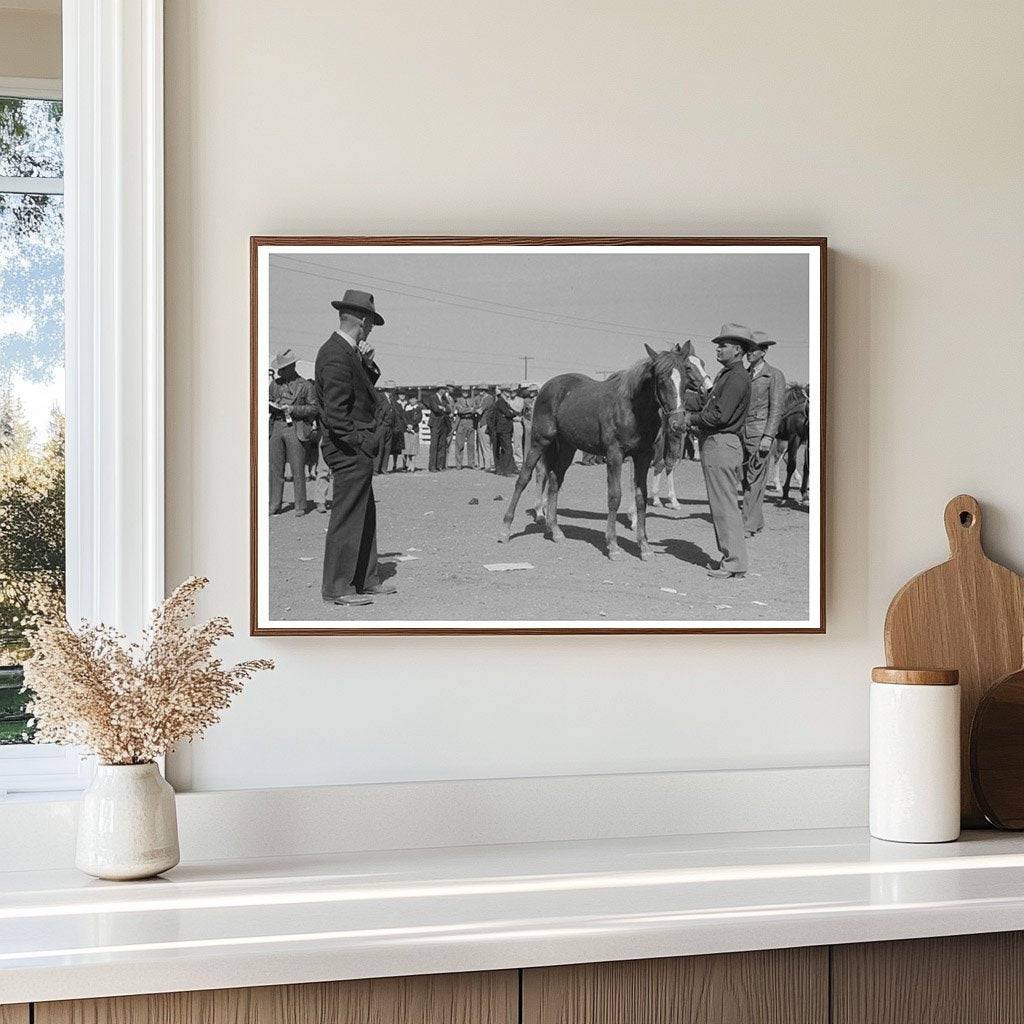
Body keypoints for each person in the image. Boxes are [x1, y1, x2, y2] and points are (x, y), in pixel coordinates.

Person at [315, 289, 395, 606]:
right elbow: (335, 413)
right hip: (348, 448)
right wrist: (363, 443)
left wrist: (366, 363)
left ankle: (364, 579)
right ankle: (337, 587)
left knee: (365, 515)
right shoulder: (336, 354)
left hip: (352, 445)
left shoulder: (346, 353)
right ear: (362, 322)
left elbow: (360, 392)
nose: (372, 329)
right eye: (371, 323)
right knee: (348, 517)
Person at [684, 323, 757, 580]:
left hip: (721, 443)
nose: (718, 348)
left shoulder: (736, 377)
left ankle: (734, 562)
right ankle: (733, 559)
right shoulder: (728, 374)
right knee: (724, 505)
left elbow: (718, 415)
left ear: (737, 350)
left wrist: (689, 420)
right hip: (720, 444)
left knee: (724, 506)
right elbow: (710, 404)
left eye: (723, 345)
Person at [741, 332, 787, 538]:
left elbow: (776, 409)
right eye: (747, 349)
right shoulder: (744, 374)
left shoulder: (774, 375)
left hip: (760, 434)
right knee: (745, 479)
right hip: (741, 433)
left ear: (764, 351)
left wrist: (768, 436)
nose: (749, 353)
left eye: (754, 349)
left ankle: (747, 525)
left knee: (755, 479)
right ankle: (756, 521)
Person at [268, 348, 317, 516]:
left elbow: (314, 409)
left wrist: (293, 409)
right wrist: (272, 406)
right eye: (280, 368)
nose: (281, 371)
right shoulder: (274, 384)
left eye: (284, 367)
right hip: (276, 427)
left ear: (293, 366)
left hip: (296, 428)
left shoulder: (306, 385)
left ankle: (300, 505)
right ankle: (274, 504)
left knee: (297, 469)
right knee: (275, 469)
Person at [424, 386, 453, 471]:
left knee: (442, 444)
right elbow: (435, 409)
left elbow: (449, 409)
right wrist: (443, 408)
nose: (444, 391)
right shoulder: (432, 397)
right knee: (434, 445)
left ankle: (440, 465)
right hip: (435, 423)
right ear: (440, 389)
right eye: (443, 389)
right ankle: (432, 466)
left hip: (443, 424)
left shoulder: (444, 398)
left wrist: (442, 408)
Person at [492, 388, 518, 476]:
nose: (509, 393)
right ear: (503, 392)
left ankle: (505, 469)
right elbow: (508, 413)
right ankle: (507, 470)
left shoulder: (504, 402)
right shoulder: (501, 402)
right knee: (508, 449)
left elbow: (513, 412)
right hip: (503, 429)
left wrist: (511, 413)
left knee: (505, 449)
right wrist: (511, 413)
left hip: (505, 428)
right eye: (507, 392)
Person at [453, 386, 478, 469]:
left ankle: (471, 464)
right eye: (464, 391)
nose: (465, 392)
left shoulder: (472, 400)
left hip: (470, 422)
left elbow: (475, 409)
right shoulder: (458, 400)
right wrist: (470, 409)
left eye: (467, 391)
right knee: (459, 444)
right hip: (462, 422)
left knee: (471, 444)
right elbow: (460, 410)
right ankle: (458, 464)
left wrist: (468, 409)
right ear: (461, 391)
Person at [476, 387, 495, 470]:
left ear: (484, 391)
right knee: (481, 444)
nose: (480, 391)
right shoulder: (483, 398)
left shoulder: (488, 399)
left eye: (481, 390)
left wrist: (472, 409)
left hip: (485, 423)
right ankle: (482, 464)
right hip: (481, 423)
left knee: (486, 444)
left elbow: (479, 410)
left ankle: (487, 464)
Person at [403, 394, 422, 470]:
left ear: (416, 400)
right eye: (411, 399)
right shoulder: (406, 407)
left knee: (413, 448)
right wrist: (407, 425)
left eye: (414, 399)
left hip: (414, 429)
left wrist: (412, 425)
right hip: (407, 429)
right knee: (408, 448)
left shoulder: (418, 408)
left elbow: (419, 418)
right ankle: (409, 464)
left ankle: (412, 465)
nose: (412, 400)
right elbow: (403, 417)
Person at [509, 387, 527, 467]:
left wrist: (509, 410)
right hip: (508, 422)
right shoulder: (507, 399)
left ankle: (519, 460)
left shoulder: (520, 400)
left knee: (517, 443)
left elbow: (519, 410)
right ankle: (511, 460)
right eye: (511, 391)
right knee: (508, 442)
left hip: (517, 422)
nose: (512, 392)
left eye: (514, 391)